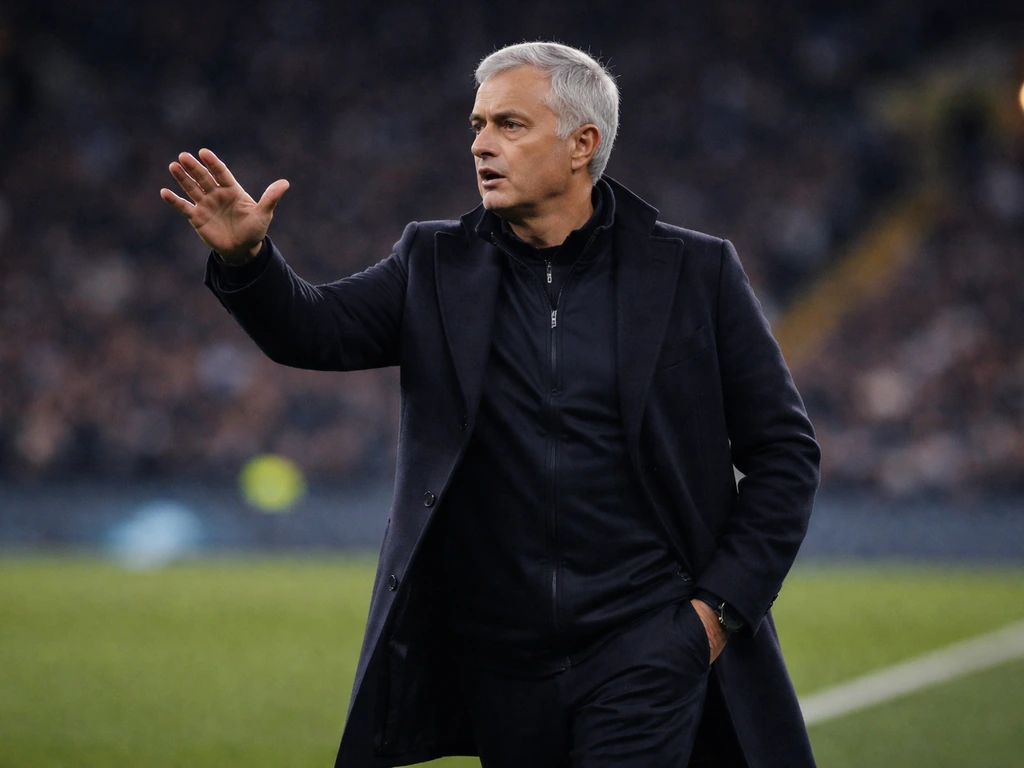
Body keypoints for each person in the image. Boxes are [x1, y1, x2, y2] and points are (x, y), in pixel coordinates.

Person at [161, 42, 820, 768]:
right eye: (477, 125)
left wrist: (713, 615)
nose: (480, 145)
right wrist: (247, 262)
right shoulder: (434, 262)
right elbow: (314, 330)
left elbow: (784, 453)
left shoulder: (695, 270)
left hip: (647, 641)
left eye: (509, 124)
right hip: (501, 662)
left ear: (582, 144)